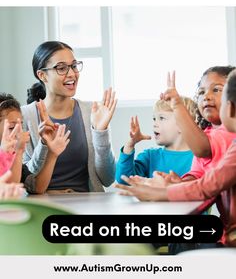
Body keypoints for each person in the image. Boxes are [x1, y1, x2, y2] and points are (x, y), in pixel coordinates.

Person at [115, 68, 236, 248]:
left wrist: (162, 192)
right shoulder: (212, 134)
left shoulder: (224, 138)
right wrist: (179, 182)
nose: (207, 97)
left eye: (218, 90)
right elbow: (198, 175)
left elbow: (208, 184)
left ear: (230, 107)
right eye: (201, 92)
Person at [22, 41, 117, 193]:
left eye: (73, 66)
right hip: (44, 207)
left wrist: (101, 132)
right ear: (42, 75)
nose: (72, 74)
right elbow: (27, 182)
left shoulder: (90, 111)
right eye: (61, 68)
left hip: (88, 205)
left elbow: (108, 178)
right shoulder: (25, 116)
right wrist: (44, 145)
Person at [0, 93, 70, 193]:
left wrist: (53, 154)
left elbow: (36, 187)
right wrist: (18, 152)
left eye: (21, 125)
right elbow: (9, 191)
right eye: (11, 127)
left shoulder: (13, 157)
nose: (19, 132)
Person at [115, 97, 196, 184]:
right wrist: (129, 146)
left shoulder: (199, 159)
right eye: (154, 119)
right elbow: (124, 179)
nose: (154, 124)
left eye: (161, 118)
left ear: (182, 124)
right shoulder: (149, 156)